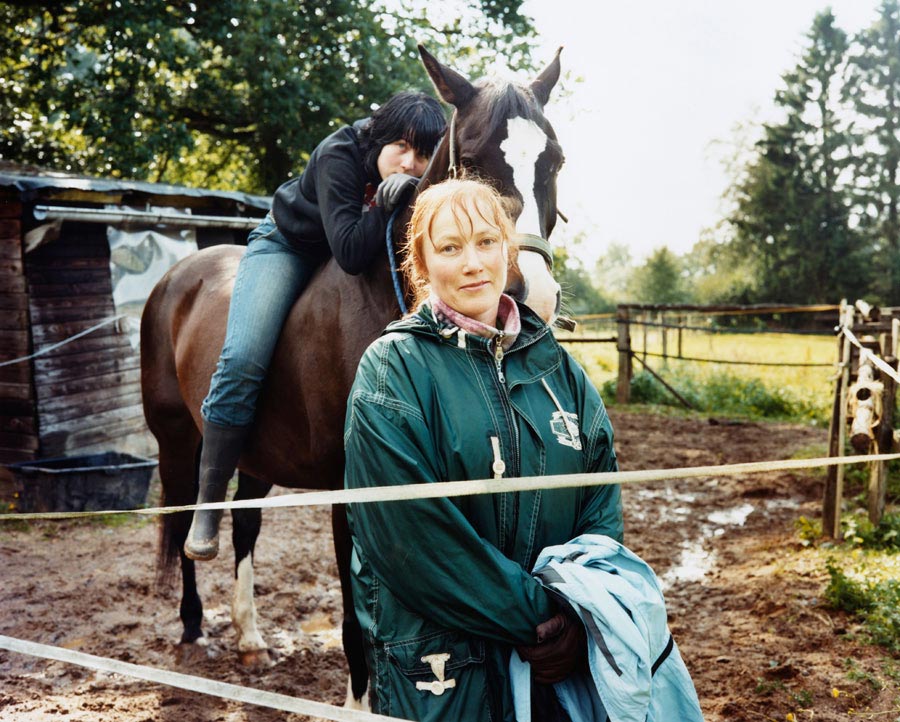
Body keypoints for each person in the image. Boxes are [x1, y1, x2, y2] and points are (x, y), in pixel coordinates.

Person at [343, 178, 624, 721]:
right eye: (449, 248)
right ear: (420, 264)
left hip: (555, 670)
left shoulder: (558, 369)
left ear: (508, 251)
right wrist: (541, 619)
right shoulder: (392, 370)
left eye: (486, 242)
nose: (472, 263)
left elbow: (600, 496)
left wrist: (578, 612)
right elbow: (412, 538)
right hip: (446, 675)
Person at [184, 91, 447, 561]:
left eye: (423, 154)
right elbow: (348, 251)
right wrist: (386, 206)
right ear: (379, 137)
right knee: (243, 356)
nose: (411, 163)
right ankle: (209, 500)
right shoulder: (338, 154)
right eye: (401, 148)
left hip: (351, 247)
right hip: (291, 247)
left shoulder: (417, 175)